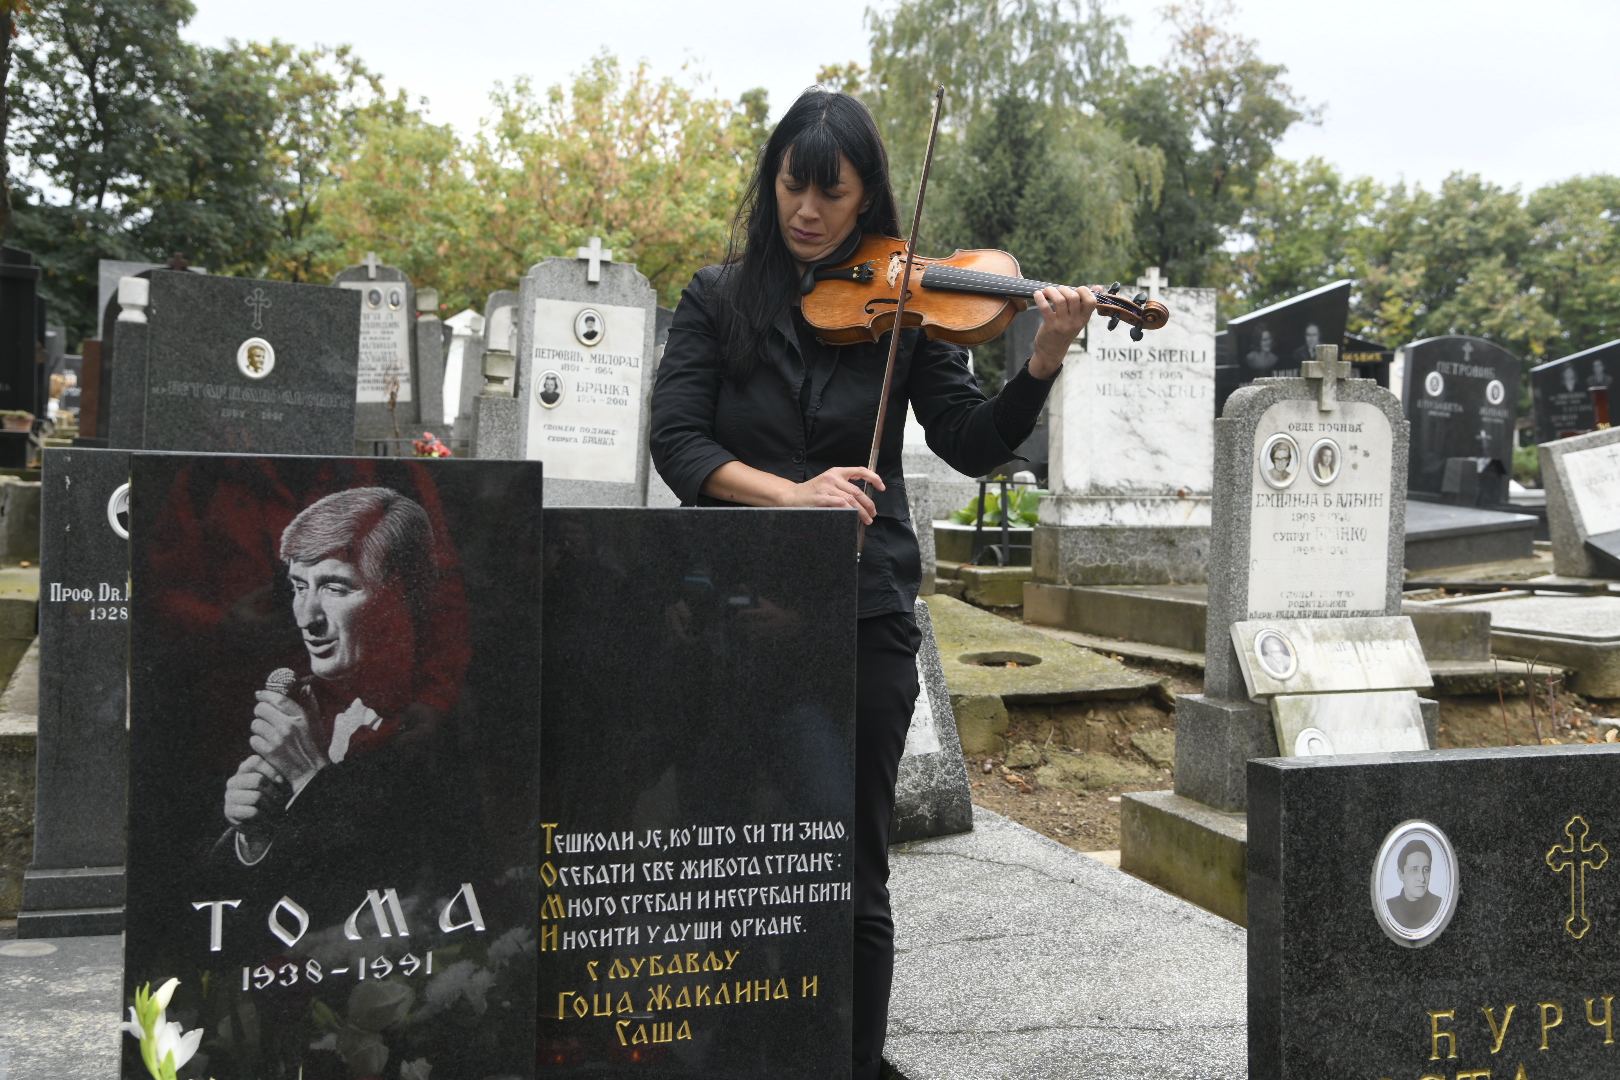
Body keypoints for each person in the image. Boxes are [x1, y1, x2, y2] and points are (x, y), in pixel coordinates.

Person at [648, 88, 1096, 1080]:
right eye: (792, 186)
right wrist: (793, 496)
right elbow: (679, 442)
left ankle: (851, 1058)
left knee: (850, 870)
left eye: (830, 193)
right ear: (772, 183)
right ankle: (728, 1050)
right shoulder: (716, 299)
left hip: (859, 619)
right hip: (723, 616)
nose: (806, 211)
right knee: (727, 854)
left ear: (865, 200)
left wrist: (1045, 359)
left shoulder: (908, 304)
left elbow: (973, 445)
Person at [218, 486, 474, 915]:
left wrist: (307, 781)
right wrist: (255, 836)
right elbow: (227, 915)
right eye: (300, 587)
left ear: (402, 594)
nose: (307, 617)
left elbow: (412, 896)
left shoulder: (425, 726)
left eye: (335, 587)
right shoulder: (300, 711)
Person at [1386, 838, 1442, 929]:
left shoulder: (1439, 906)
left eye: (1426, 870)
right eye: (1414, 870)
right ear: (1401, 874)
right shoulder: (1389, 908)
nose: (1422, 878)